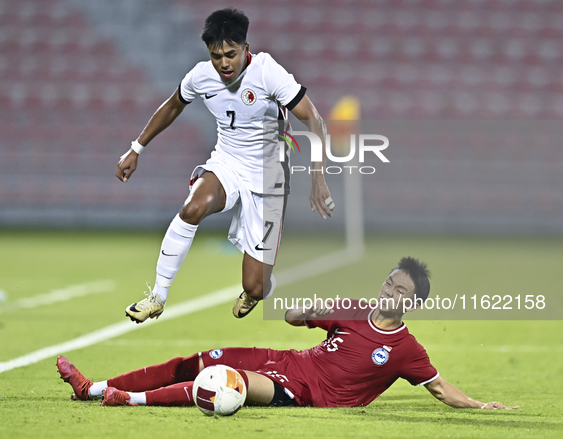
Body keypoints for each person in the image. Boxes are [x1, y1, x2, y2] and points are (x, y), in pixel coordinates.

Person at [57, 257, 517, 410]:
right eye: (387, 281)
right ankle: (92, 387)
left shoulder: (406, 349)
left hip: (302, 392)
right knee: (201, 359)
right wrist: (305, 310)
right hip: (286, 361)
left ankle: (125, 399)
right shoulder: (354, 310)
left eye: (399, 289)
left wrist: (479, 404)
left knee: (222, 382)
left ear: (411, 303)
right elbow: (294, 318)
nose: (387, 290)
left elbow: (437, 387)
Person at [116, 8, 334, 323]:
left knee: (256, 286)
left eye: (231, 54)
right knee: (193, 208)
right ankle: (158, 296)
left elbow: (313, 118)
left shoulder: (267, 72)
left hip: (268, 176)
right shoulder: (201, 75)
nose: (224, 63)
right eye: (216, 56)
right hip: (227, 163)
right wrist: (136, 148)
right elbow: (174, 104)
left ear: (246, 48)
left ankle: (255, 291)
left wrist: (318, 177)